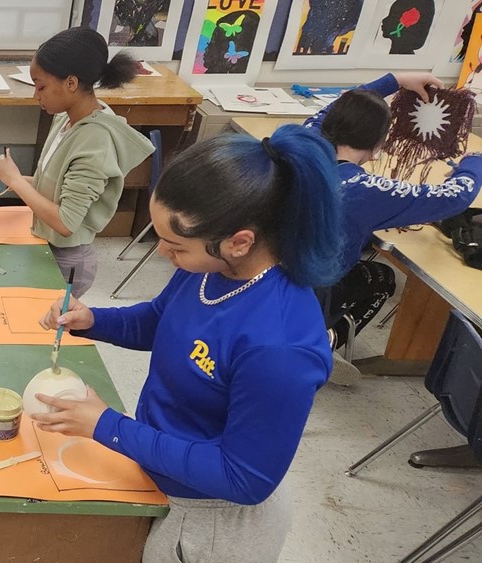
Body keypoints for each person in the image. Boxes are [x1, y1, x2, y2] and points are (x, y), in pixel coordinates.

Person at [34, 126, 345, 562]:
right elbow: (163, 321)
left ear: (239, 242)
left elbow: (244, 477)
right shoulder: (209, 268)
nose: (163, 252)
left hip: (208, 521)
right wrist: (92, 321)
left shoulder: (279, 347)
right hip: (156, 469)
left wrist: (108, 426)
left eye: (176, 245)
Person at [304, 71, 482, 383]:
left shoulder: (304, 144)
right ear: (377, 146)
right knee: (382, 277)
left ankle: (318, 340)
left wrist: (394, 80)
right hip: (308, 293)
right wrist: (475, 162)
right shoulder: (364, 190)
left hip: (266, 275)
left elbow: (332, 110)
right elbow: (453, 198)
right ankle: (322, 343)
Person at [0, 27, 154, 298]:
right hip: (49, 246)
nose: (36, 96)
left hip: (66, 262)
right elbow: (55, 186)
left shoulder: (95, 141)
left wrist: (17, 181)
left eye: (41, 87)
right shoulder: (68, 119)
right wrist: (14, 181)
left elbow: (66, 222)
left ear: (71, 83)